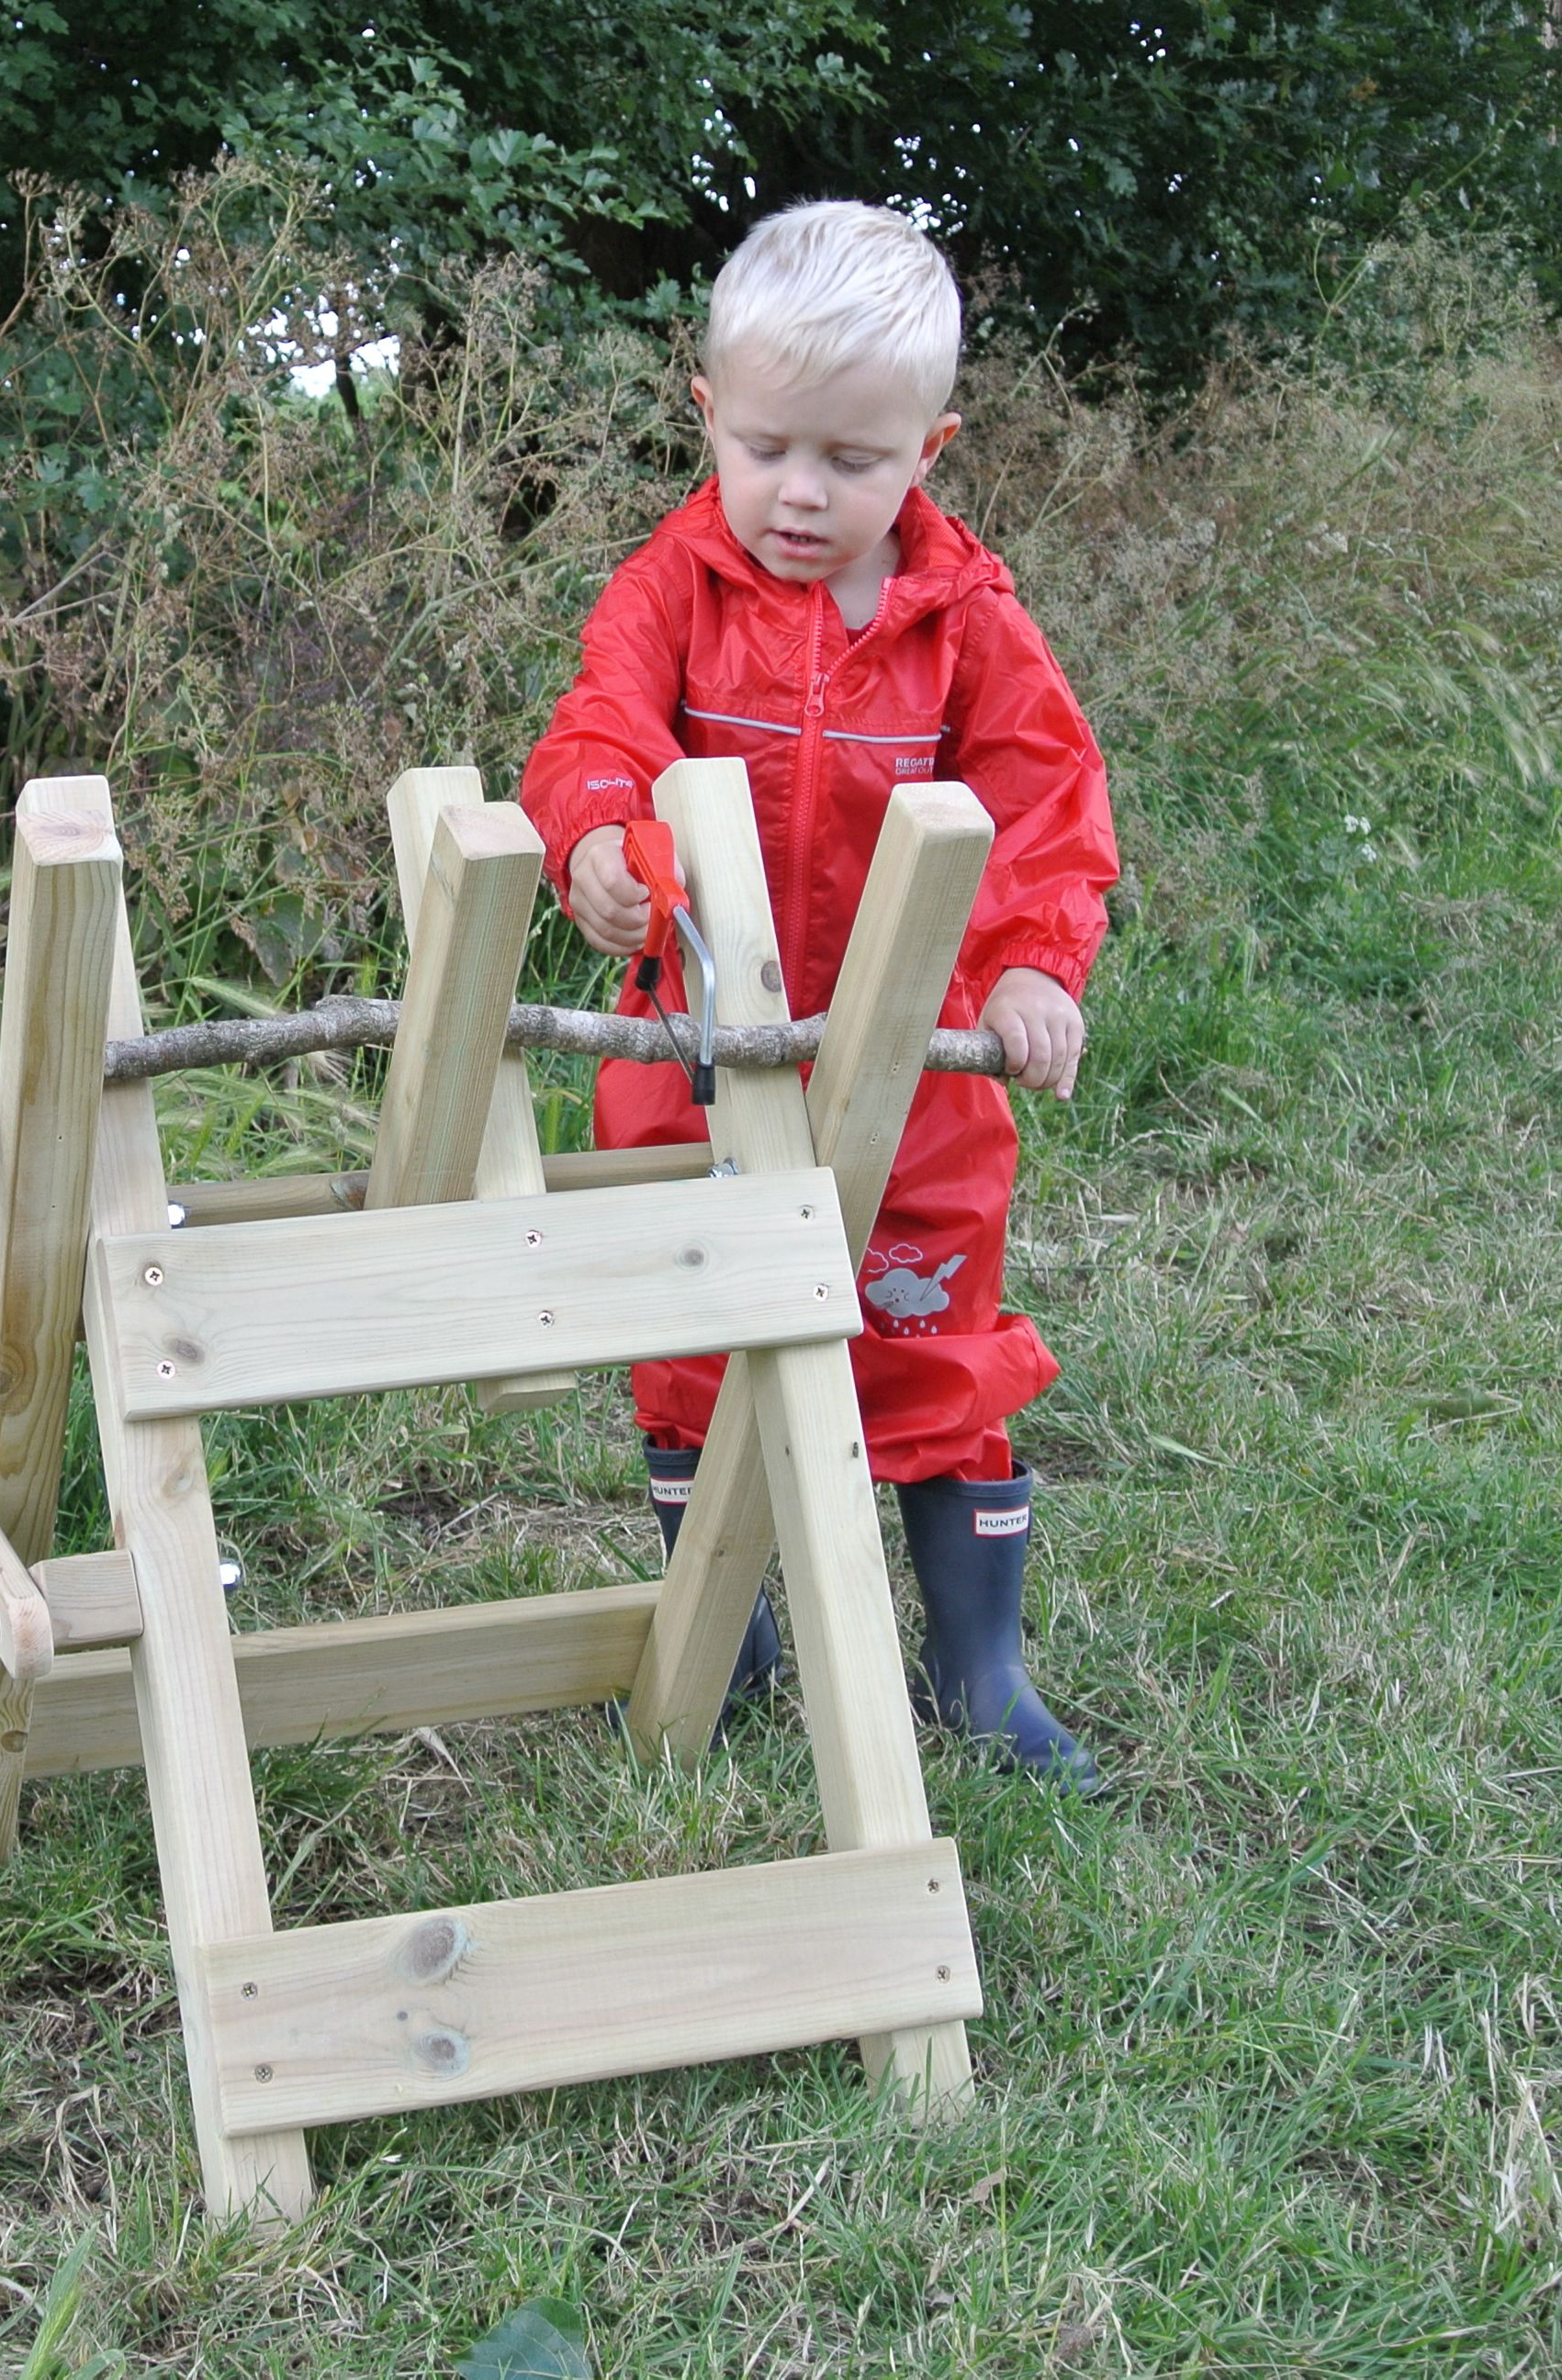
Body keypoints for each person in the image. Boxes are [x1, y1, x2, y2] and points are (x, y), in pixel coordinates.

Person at [521, 199, 1118, 1786]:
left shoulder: (965, 622)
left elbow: (1049, 800)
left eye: (855, 461)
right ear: (710, 412)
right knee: (691, 1338)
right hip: (696, 1048)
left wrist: (1034, 964)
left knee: (930, 1342)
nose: (804, 493)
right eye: (772, 446)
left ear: (931, 444)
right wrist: (594, 835)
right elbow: (596, 732)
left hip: (918, 1069)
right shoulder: (673, 590)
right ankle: (729, 1634)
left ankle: (977, 1667)